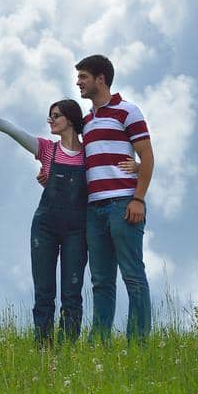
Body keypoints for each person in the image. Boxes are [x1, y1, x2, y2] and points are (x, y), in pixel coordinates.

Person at [0, 97, 90, 343]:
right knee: (44, 293)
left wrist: (136, 167)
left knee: (72, 294)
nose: (50, 120)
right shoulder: (48, 150)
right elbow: (13, 130)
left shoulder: (89, 156)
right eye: (50, 116)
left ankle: (68, 350)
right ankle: (44, 350)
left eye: (56, 115)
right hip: (45, 228)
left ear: (70, 119)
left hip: (77, 231)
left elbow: (109, 169)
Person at [73, 53, 154, 342]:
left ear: (100, 79)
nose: (78, 82)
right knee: (100, 281)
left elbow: (147, 157)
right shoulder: (86, 121)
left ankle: (139, 342)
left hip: (123, 204)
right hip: (93, 209)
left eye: (83, 77)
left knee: (132, 275)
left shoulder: (128, 111)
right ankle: (99, 342)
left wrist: (138, 199)